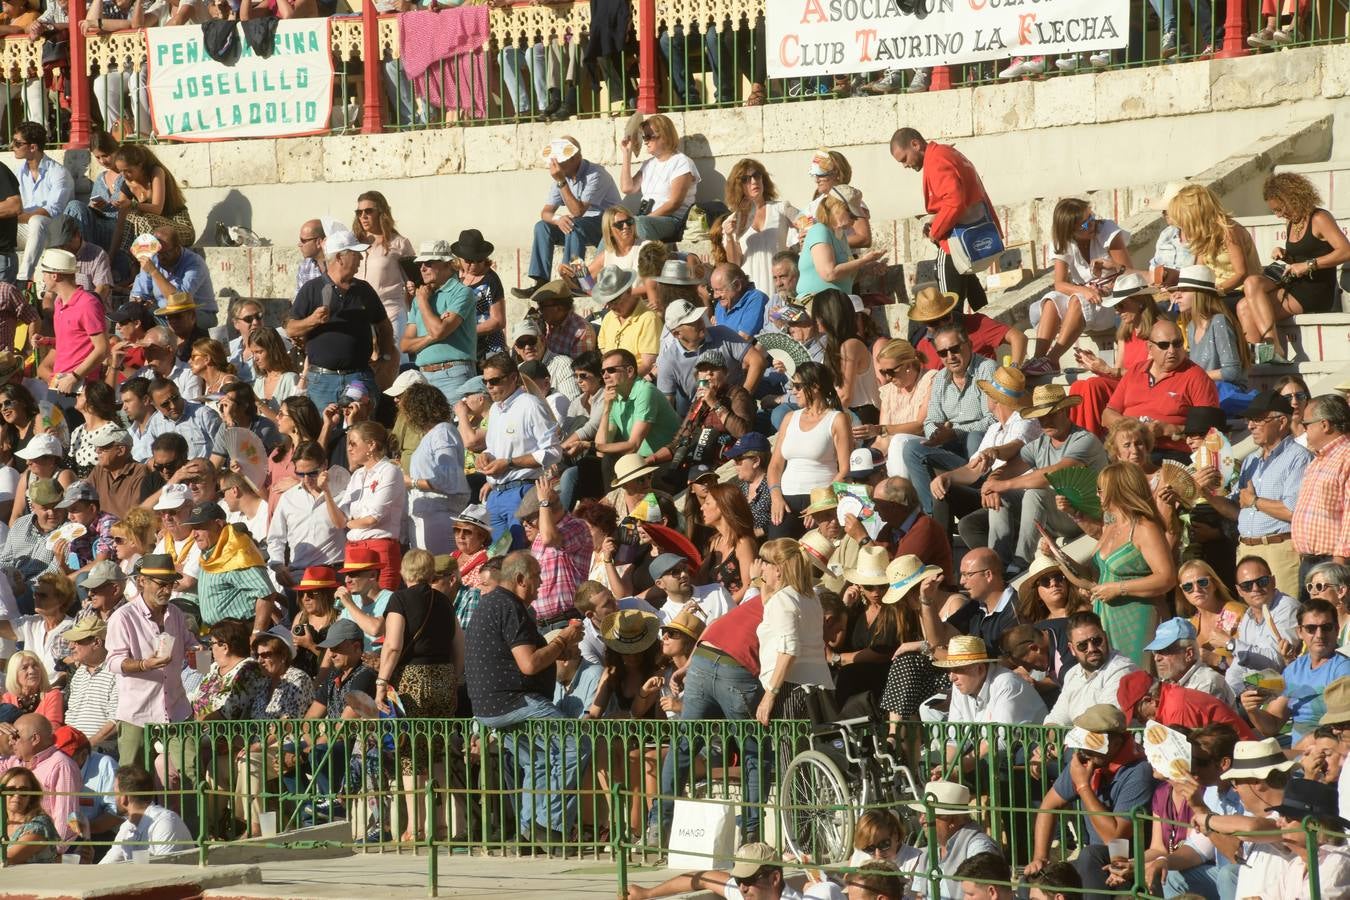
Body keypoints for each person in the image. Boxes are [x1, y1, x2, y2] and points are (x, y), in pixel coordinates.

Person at [465, 551, 589, 842]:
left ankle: (527, 832)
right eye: (537, 577)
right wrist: (562, 640)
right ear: (520, 579)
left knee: (537, 761)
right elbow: (529, 663)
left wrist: (559, 649)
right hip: (514, 702)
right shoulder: (510, 606)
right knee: (577, 744)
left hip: (490, 706)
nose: (541, 583)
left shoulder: (492, 604)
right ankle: (549, 827)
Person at [969, 383, 1108, 573]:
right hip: (1058, 512)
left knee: (1035, 493)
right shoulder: (1040, 443)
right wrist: (992, 483)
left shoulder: (1084, 440)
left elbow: (1054, 474)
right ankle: (998, 566)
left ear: (1066, 411)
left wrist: (1003, 484)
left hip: (1084, 515)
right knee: (995, 502)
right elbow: (1011, 467)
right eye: (1041, 416)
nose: (1046, 420)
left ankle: (1020, 563)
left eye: (1052, 414)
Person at [374, 549, 462, 841]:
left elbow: (393, 645)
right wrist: (453, 677)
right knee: (438, 749)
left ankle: (415, 827)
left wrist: (382, 681)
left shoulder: (399, 599)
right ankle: (445, 824)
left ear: (404, 572)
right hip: (445, 678)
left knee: (411, 753)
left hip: (413, 681)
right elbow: (459, 646)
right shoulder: (446, 602)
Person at [1024, 705, 1155, 894]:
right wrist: (1040, 858)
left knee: (1090, 855)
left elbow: (1114, 840)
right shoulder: (1085, 759)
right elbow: (1049, 806)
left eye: (1094, 743)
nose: (1086, 750)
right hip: (1093, 861)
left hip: (1127, 862)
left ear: (1117, 743)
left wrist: (1083, 787)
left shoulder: (1138, 771)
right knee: (1030, 880)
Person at [1201, 390, 1311, 597]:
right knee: (1257, 617)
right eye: (1249, 420)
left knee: (1284, 615)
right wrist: (1208, 495)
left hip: (1280, 549)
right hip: (1247, 549)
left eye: (1258, 420)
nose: (1250, 426)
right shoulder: (1251, 460)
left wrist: (1254, 501)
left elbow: (1293, 511)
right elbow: (1237, 511)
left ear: (1281, 422)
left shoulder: (1298, 458)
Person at [1167, 184, 1284, 360]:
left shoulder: (1229, 231)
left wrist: (1216, 290)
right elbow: (1197, 273)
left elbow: (1241, 273)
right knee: (1175, 306)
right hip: (1218, 291)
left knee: (1208, 307)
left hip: (1239, 290)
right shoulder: (1204, 236)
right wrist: (1181, 290)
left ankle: (1246, 357)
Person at [891, 127, 999, 312]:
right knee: (975, 298)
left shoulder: (936, 160)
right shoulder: (947, 152)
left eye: (904, 159)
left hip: (955, 241)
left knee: (949, 309)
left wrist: (936, 230)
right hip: (970, 233)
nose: (905, 166)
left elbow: (954, 202)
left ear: (915, 144)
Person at [1020, 198, 1132, 377]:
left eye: (1091, 217)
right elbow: (1059, 284)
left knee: (1077, 299)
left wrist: (1108, 279)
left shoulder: (1108, 230)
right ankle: (1038, 359)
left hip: (1112, 301)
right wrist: (1084, 290)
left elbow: (1130, 273)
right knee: (1051, 299)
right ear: (1070, 231)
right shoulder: (1063, 242)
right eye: (1085, 224)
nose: (1092, 223)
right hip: (1087, 301)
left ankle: (1053, 358)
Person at [288, 230, 397, 409]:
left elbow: (384, 326)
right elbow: (290, 328)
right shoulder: (312, 289)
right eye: (356, 255)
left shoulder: (364, 290)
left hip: (359, 377)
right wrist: (313, 320)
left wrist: (385, 358)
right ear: (340, 257)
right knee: (326, 430)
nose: (361, 259)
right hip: (322, 381)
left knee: (361, 431)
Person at [1089, 461, 1179, 666]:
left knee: (1140, 679)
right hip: (1106, 617)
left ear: (1116, 489)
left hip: (1138, 618)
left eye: (1100, 489)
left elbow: (1167, 577)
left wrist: (1119, 588)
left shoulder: (1144, 527)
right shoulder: (1110, 527)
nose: (1097, 495)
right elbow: (1094, 573)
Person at [902, 325, 997, 514]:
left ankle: (981, 493)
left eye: (954, 349)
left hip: (982, 449)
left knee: (975, 436)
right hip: (952, 447)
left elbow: (994, 419)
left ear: (969, 345)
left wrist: (955, 432)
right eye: (943, 353)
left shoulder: (986, 368)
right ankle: (931, 515)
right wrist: (936, 434)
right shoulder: (939, 379)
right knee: (910, 449)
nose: (950, 357)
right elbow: (930, 421)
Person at [1103, 319, 1222, 460]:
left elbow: (1213, 431)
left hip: (1169, 453)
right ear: (1149, 348)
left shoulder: (1197, 377)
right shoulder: (1135, 371)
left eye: (1177, 344)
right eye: (1164, 345)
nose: (1172, 351)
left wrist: (1172, 429)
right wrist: (1135, 429)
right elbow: (1107, 415)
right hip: (1129, 451)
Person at [518, 137, 621, 298]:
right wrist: (558, 219)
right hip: (580, 225)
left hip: (607, 224)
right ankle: (540, 283)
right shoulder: (563, 175)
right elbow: (545, 213)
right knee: (542, 226)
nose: (556, 165)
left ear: (576, 158)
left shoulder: (595, 173)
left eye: (561, 160)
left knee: (574, 226)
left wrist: (561, 181)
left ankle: (575, 280)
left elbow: (578, 210)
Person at [478, 353, 562, 547]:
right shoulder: (494, 410)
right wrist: (486, 456)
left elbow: (554, 452)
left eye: (495, 380)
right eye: (486, 381)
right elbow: (493, 449)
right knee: (499, 562)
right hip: (496, 494)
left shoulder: (531, 405)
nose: (489, 386)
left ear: (514, 378)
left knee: (521, 558)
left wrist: (509, 462)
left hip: (522, 491)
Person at [1242, 598, 1350, 745]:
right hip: (1299, 754)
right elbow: (1272, 725)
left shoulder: (1343, 669)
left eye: (1326, 627)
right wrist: (1252, 709)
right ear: (1300, 632)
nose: (1319, 634)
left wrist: (1302, 748)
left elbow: (1344, 731)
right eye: (1311, 628)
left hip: (1329, 753)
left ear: (1337, 630)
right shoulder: (1294, 669)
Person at [938, 636, 1048, 775]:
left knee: (994, 760)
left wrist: (958, 768)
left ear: (979, 669)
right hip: (998, 756)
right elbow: (955, 737)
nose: (951, 677)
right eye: (949, 670)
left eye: (958, 669)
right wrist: (946, 767)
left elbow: (1000, 740)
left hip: (1031, 755)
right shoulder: (960, 686)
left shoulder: (1007, 684)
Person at [765, 361, 851, 539]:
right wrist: (775, 497)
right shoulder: (789, 418)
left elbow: (845, 469)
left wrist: (821, 505)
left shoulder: (837, 419)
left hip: (821, 500)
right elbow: (775, 465)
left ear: (815, 387)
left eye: (797, 386)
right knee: (777, 555)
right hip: (785, 500)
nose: (793, 391)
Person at [753, 539, 831, 724]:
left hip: (790, 690)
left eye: (765, 563)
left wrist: (769, 696)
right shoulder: (811, 598)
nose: (761, 568)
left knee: (789, 752)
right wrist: (765, 585)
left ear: (778, 569)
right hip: (817, 687)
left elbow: (789, 650)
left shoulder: (782, 600)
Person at [657, 298, 765, 419]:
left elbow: (757, 361)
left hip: (738, 414)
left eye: (698, 317)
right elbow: (666, 406)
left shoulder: (723, 334)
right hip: (700, 420)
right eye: (692, 322)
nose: (700, 321)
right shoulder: (668, 361)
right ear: (677, 334)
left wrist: (742, 400)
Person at [626, 840, 842, 900]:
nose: (742, 887)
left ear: (775, 878)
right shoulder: (746, 892)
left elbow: (829, 891)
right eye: (739, 879)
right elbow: (702, 878)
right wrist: (647, 893)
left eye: (748, 880)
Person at [1261, 172, 1350, 315]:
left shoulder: (1319, 218)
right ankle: (1264, 338)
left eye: (1279, 209)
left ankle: (1268, 338)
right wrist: (1284, 255)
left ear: (1293, 198)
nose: (1278, 215)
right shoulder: (1291, 221)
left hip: (1317, 291)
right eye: (1274, 211)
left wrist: (1309, 265)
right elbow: (1301, 258)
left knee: (1258, 310)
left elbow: (1346, 251)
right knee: (1245, 306)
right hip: (1296, 285)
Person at [183, 500, 278, 633]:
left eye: (200, 527)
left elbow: (266, 594)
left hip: (241, 633)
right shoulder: (209, 553)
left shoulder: (238, 553)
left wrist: (257, 634)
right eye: (193, 528)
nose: (194, 534)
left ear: (218, 524)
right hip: (219, 634)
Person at [401, 239, 476, 403]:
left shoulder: (462, 293)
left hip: (453, 373)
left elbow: (439, 331)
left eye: (428, 263)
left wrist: (422, 302)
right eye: (420, 263)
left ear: (447, 264)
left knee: (457, 426)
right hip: (425, 375)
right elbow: (405, 345)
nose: (422, 268)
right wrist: (431, 336)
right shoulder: (421, 297)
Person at [335, 422, 405, 592]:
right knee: (356, 606)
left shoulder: (390, 471)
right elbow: (341, 517)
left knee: (381, 604)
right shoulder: (357, 475)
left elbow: (372, 519)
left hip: (378, 548)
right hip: (354, 548)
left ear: (371, 445)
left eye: (353, 443)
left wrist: (349, 523)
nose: (349, 449)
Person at [400, 383, 469, 554]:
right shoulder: (432, 435)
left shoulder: (442, 431)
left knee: (438, 573)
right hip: (425, 519)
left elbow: (448, 479)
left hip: (440, 517)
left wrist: (411, 482)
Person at [903, 782, 1003, 900]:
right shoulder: (928, 854)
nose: (921, 820)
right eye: (921, 814)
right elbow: (919, 897)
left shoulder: (978, 847)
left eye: (927, 814)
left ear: (951, 820)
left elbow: (986, 895)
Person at [1291, 394, 1350, 590]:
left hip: (1334, 562)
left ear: (1324, 425)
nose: (1303, 429)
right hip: (1310, 561)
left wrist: (1339, 563)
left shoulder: (1347, 457)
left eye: (1306, 424)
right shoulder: (1317, 460)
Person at [720, 158, 799, 301]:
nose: (754, 182)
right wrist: (730, 236)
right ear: (738, 186)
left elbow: (807, 223)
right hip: (751, 291)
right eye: (746, 179)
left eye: (757, 175)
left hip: (780, 285)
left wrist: (797, 248)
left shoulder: (781, 208)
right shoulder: (732, 221)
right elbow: (735, 264)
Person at [1042, 611, 1139, 727]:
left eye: (1097, 641)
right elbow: (1056, 719)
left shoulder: (1122, 670)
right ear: (1072, 649)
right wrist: (1049, 740)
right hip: (1079, 742)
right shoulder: (1072, 674)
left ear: (1105, 637)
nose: (1091, 648)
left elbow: (1105, 721)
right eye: (1082, 645)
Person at [0, 712, 84, 845]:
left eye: (15, 737)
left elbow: (66, 820)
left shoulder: (61, 765)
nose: (10, 742)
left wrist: (53, 853)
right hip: (15, 840)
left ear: (34, 739)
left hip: (43, 850)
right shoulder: (14, 761)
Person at [519, 480, 592, 631]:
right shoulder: (539, 536)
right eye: (523, 521)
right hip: (541, 624)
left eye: (529, 519)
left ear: (547, 510)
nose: (525, 524)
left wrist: (544, 502)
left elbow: (550, 539)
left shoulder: (577, 526)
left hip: (568, 619)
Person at [351, 191, 415, 351]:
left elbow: (415, 279)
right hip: (359, 314)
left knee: (393, 362)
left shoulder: (399, 243)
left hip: (390, 311)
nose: (363, 216)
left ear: (381, 212)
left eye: (368, 211)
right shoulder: (353, 242)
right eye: (359, 212)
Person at [619, 114, 699, 243]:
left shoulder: (682, 162)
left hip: (672, 220)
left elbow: (674, 203)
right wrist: (626, 155)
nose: (645, 141)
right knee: (613, 226)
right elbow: (627, 188)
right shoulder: (648, 164)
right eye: (644, 136)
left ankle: (642, 261)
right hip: (645, 218)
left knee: (638, 223)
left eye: (649, 136)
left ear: (665, 136)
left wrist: (640, 220)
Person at [12, 121, 72, 289]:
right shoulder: (19, 172)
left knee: (37, 220)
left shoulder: (59, 173)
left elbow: (52, 211)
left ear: (33, 147)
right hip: (26, 227)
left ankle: (23, 279)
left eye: (18, 143)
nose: (12, 146)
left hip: (52, 230)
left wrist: (18, 216)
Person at [595, 348, 681, 464]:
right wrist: (606, 408)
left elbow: (633, 445)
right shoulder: (613, 396)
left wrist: (592, 446)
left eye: (611, 370)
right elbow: (601, 452)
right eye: (602, 371)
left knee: (608, 462)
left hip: (665, 460)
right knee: (587, 466)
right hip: (640, 459)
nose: (605, 376)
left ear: (629, 371)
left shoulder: (645, 391)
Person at [45, 248, 108, 401]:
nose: (43, 278)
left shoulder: (88, 304)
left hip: (79, 389)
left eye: (45, 273)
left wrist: (74, 376)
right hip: (58, 383)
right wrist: (47, 341)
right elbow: (75, 339)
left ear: (55, 275)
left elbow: (102, 348)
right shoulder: (58, 302)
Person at [1116, 670, 1255, 739]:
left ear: (1150, 701)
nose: (1138, 720)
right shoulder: (1168, 698)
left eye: (1136, 714)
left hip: (1242, 759)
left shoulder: (1176, 708)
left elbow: (1186, 760)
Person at [797, 191, 883, 297]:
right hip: (817, 304)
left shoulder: (841, 236)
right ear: (838, 210)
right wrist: (864, 260)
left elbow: (845, 278)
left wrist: (868, 268)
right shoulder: (820, 230)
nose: (855, 219)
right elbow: (829, 274)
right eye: (852, 215)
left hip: (836, 302)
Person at [99, 764, 191, 862]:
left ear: (124, 798)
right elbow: (106, 865)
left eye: (115, 792)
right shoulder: (127, 827)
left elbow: (165, 870)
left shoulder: (165, 822)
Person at [1145, 617, 1235, 706]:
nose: (1156, 658)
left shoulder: (1208, 682)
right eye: (1155, 652)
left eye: (1164, 651)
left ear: (1188, 654)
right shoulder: (1166, 682)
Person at [62, 616, 119, 755]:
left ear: (97, 642)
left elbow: (116, 721)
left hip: (100, 749)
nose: (71, 646)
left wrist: (86, 746)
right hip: (76, 747)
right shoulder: (79, 673)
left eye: (77, 641)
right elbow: (71, 716)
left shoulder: (117, 671)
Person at [594, 267, 660, 376]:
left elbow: (648, 365)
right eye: (607, 302)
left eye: (615, 300)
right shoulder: (608, 318)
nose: (611, 306)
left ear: (629, 291)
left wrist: (622, 383)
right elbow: (604, 353)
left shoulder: (648, 319)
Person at [142, 377, 222, 462]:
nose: (173, 406)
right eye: (165, 404)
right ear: (153, 404)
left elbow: (224, 450)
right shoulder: (154, 423)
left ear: (178, 390)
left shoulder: (204, 414)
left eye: (175, 398)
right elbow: (149, 458)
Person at [0, 765, 60, 864]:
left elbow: (7, 859)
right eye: (11, 790)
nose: (17, 795)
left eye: (23, 791)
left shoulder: (39, 825)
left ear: (32, 795)